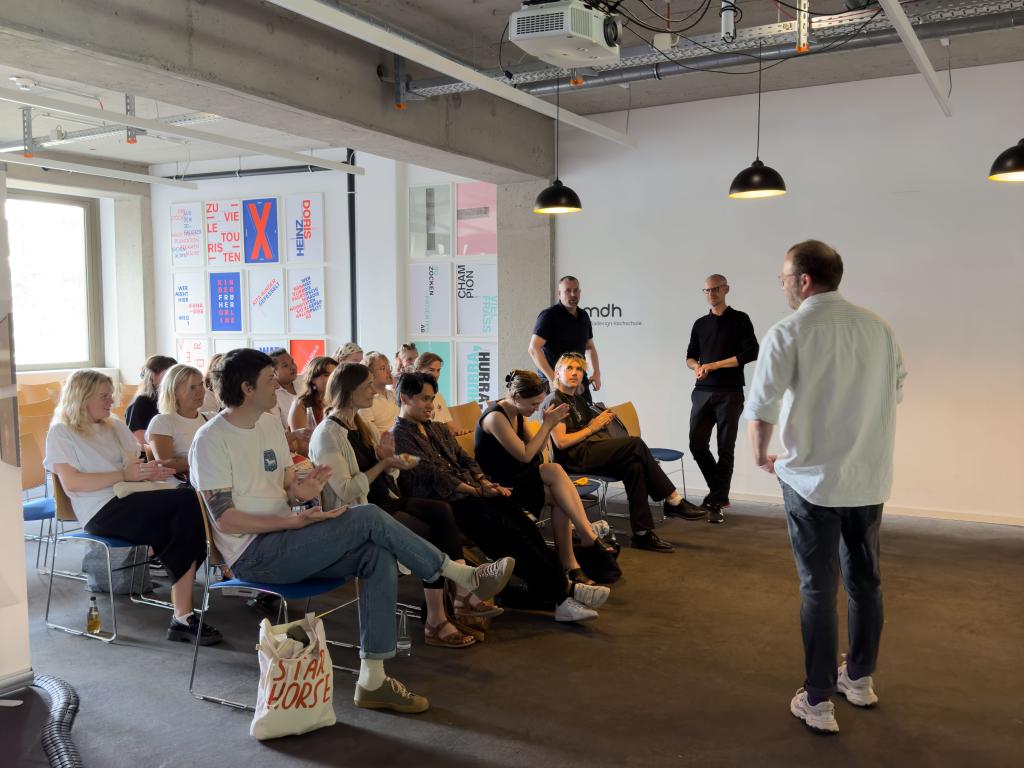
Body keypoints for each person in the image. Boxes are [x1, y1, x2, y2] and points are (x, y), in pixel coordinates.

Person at [189, 349, 515, 713]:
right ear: (247, 388)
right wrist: (294, 519)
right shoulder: (210, 439)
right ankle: (464, 575)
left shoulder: (267, 425)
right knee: (368, 516)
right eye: (269, 380)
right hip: (253, 555)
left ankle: (372, 679)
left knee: (376, 554)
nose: (279, 385)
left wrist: (303, 492)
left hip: (289, 538)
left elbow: (286, 487)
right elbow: (225, 520)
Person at [744, 240, 906, 735]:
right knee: (866, 583)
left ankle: (817, 701)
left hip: (811, 481)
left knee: (818, 589)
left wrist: (758, 456)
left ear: (804, 280)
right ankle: (858, 679)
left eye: (784, 278)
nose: (783, 286)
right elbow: (896, 388)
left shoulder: (789, 331)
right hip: (868, 476)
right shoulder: (878, 328)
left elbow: (762, 408)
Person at [392, 371, 609, 623]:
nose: (431, 406)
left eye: (432, 400)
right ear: (405, 399)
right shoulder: (400, 436)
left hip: (471, 493)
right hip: (445, 503)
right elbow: (435, 476)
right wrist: (477, 489)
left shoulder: (437, 429)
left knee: (524, 525)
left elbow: (465, 459)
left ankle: (562, 589)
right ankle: (565, 594)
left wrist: (484, 482)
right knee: (510, 536)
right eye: (424, 400)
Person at [310, 363, 492, 648]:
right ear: (350, 391)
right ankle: (441, 614)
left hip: (383, 502)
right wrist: (384, 462)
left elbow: (387, 477)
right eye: (368, 386)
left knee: (441, 510)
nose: (376, 390)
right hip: (359, 514)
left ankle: (457, 597)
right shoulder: (326, 435)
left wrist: (389, 462)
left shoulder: (361, 424)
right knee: (429, 530)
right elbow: (345, 491)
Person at [44, 369, 222, 645]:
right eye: (104, 396)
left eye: (110, 395)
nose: (111, 402)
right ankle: (183, 613)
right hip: (101, 508)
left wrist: (148, 471)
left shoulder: (112, 425)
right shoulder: (62, 432)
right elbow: (73, 483)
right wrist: (124, 475)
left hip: (133, 496)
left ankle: (183, 615)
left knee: (190, 507)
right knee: (186, 507)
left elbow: (132, 465)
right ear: (82, 398)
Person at [544, 353, 700, 553]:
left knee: (634, 466)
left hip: (589, 450)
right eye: (569, 368)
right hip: (574, 459)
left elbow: (586, 429)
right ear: (558, 373)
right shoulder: (555, 400)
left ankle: (642, 534)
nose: (575, 373)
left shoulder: (577, 399)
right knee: (635, 444)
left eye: (579, 369)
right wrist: (592, 428)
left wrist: (598, 423)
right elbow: (562, 442)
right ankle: (673, 500)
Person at [475, 370, 621, 584]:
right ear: (516, 397)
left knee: (557, 483)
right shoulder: (496, 416)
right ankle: (584, 541)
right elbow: (525, 456)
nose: (535, 409)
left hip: (519, 477)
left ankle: (572, 560)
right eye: (533, 404)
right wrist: (547, 425)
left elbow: (538, 450)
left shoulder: (517, 413)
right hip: (501, 485)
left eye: (538, 404)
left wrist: (548, 425)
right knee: (555, 477)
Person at [684, 274, 760, 524]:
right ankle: (719, 493)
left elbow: (752, 352)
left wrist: (715, 364)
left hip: (730, 393)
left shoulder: (740, 319)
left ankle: (716, 502)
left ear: (725, 289)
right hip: (702, 391)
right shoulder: (699, 323)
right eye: (706, 290)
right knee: (697, 444)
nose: (711, 293)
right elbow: (690, 356)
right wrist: (697, 366)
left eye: (715, 289)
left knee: (725, 448)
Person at [529, 276, 601, 400]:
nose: (573, 294)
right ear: (559, 293)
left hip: (578, 380)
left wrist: (596, 373)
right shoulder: (549, 316)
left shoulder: (583, 315)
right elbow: (533, 349)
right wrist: (553, 379)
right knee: (558, 419)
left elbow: (589, 347)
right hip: (556, 383)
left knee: (588, 418)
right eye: (568, 290)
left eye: (576, 290)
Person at [146, 363, 208, 478]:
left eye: (201, 385)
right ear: (174, 391)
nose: (201, 392)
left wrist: (183, 462)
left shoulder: (211, 418)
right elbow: (166, 465)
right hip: (181, 486)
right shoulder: (162, 422)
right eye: (192, 387)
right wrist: (210, 460)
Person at [125, 355, 176, 447]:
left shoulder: (172, 399)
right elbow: (141, 440)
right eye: (169, 374)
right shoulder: (141, 402)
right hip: (150, 456)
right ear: (153, 375)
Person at [413, 352, 469, 436]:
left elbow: (450, 425)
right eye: (431, 370)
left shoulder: (438, 396)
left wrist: (460, 431)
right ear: (418, 369)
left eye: (438, 370)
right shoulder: (412, 396)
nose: (436, 375)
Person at [287, 355, 337, 433]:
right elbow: (301, 441)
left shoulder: (339, 401)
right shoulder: (301, 404)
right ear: (313, 379)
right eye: (327, 375)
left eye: (335, 375)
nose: (332, 379)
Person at [359, 351, 400, 434]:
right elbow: (370, 437)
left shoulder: (393, 394)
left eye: (389, 367)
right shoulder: (365, 403)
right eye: (383, 368)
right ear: (370, 374)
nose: (389, 371)